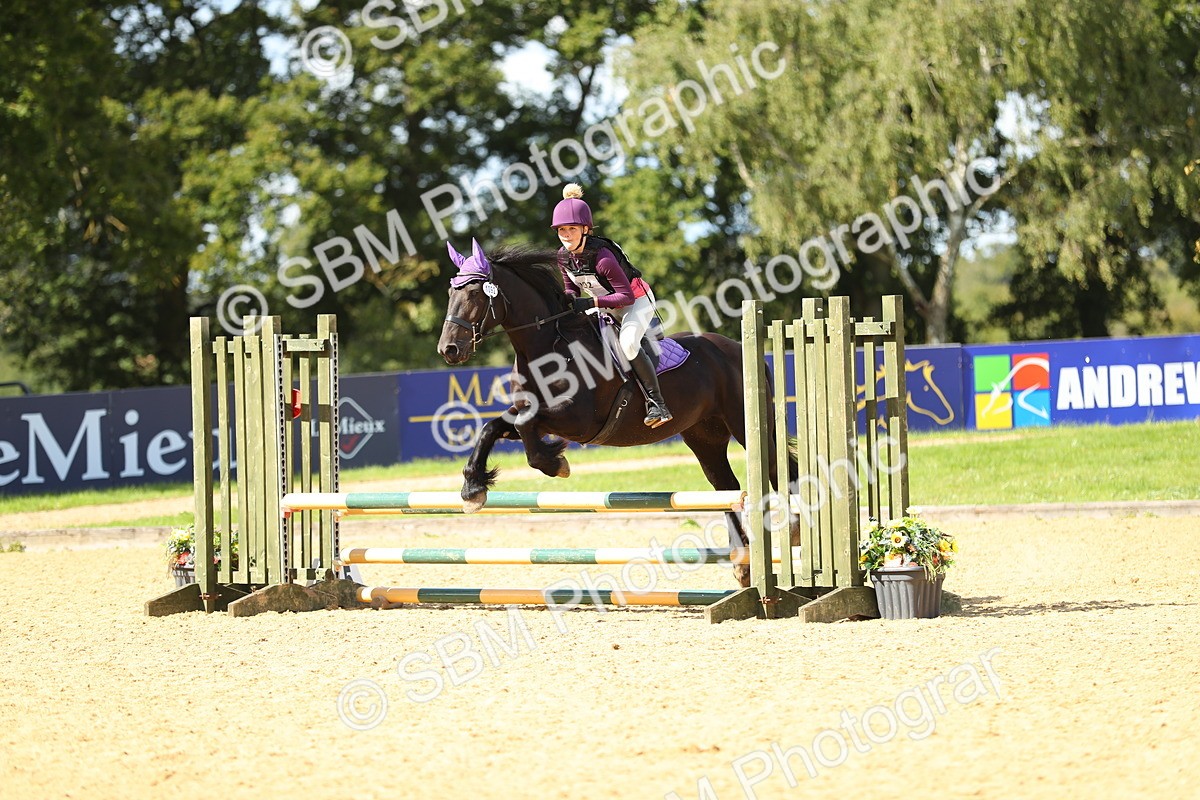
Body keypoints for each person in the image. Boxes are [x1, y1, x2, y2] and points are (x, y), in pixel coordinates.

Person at [551, 183, 673, 428]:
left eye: (571, 228)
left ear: (585, 229)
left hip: (635, 301)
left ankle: (657, 403)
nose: (566, 234)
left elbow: (625, 296)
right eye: (561, 229)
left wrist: (592, 302)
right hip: (605, 304)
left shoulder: (603, 258)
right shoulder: (563, 257)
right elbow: (571, 291)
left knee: (628, 344)